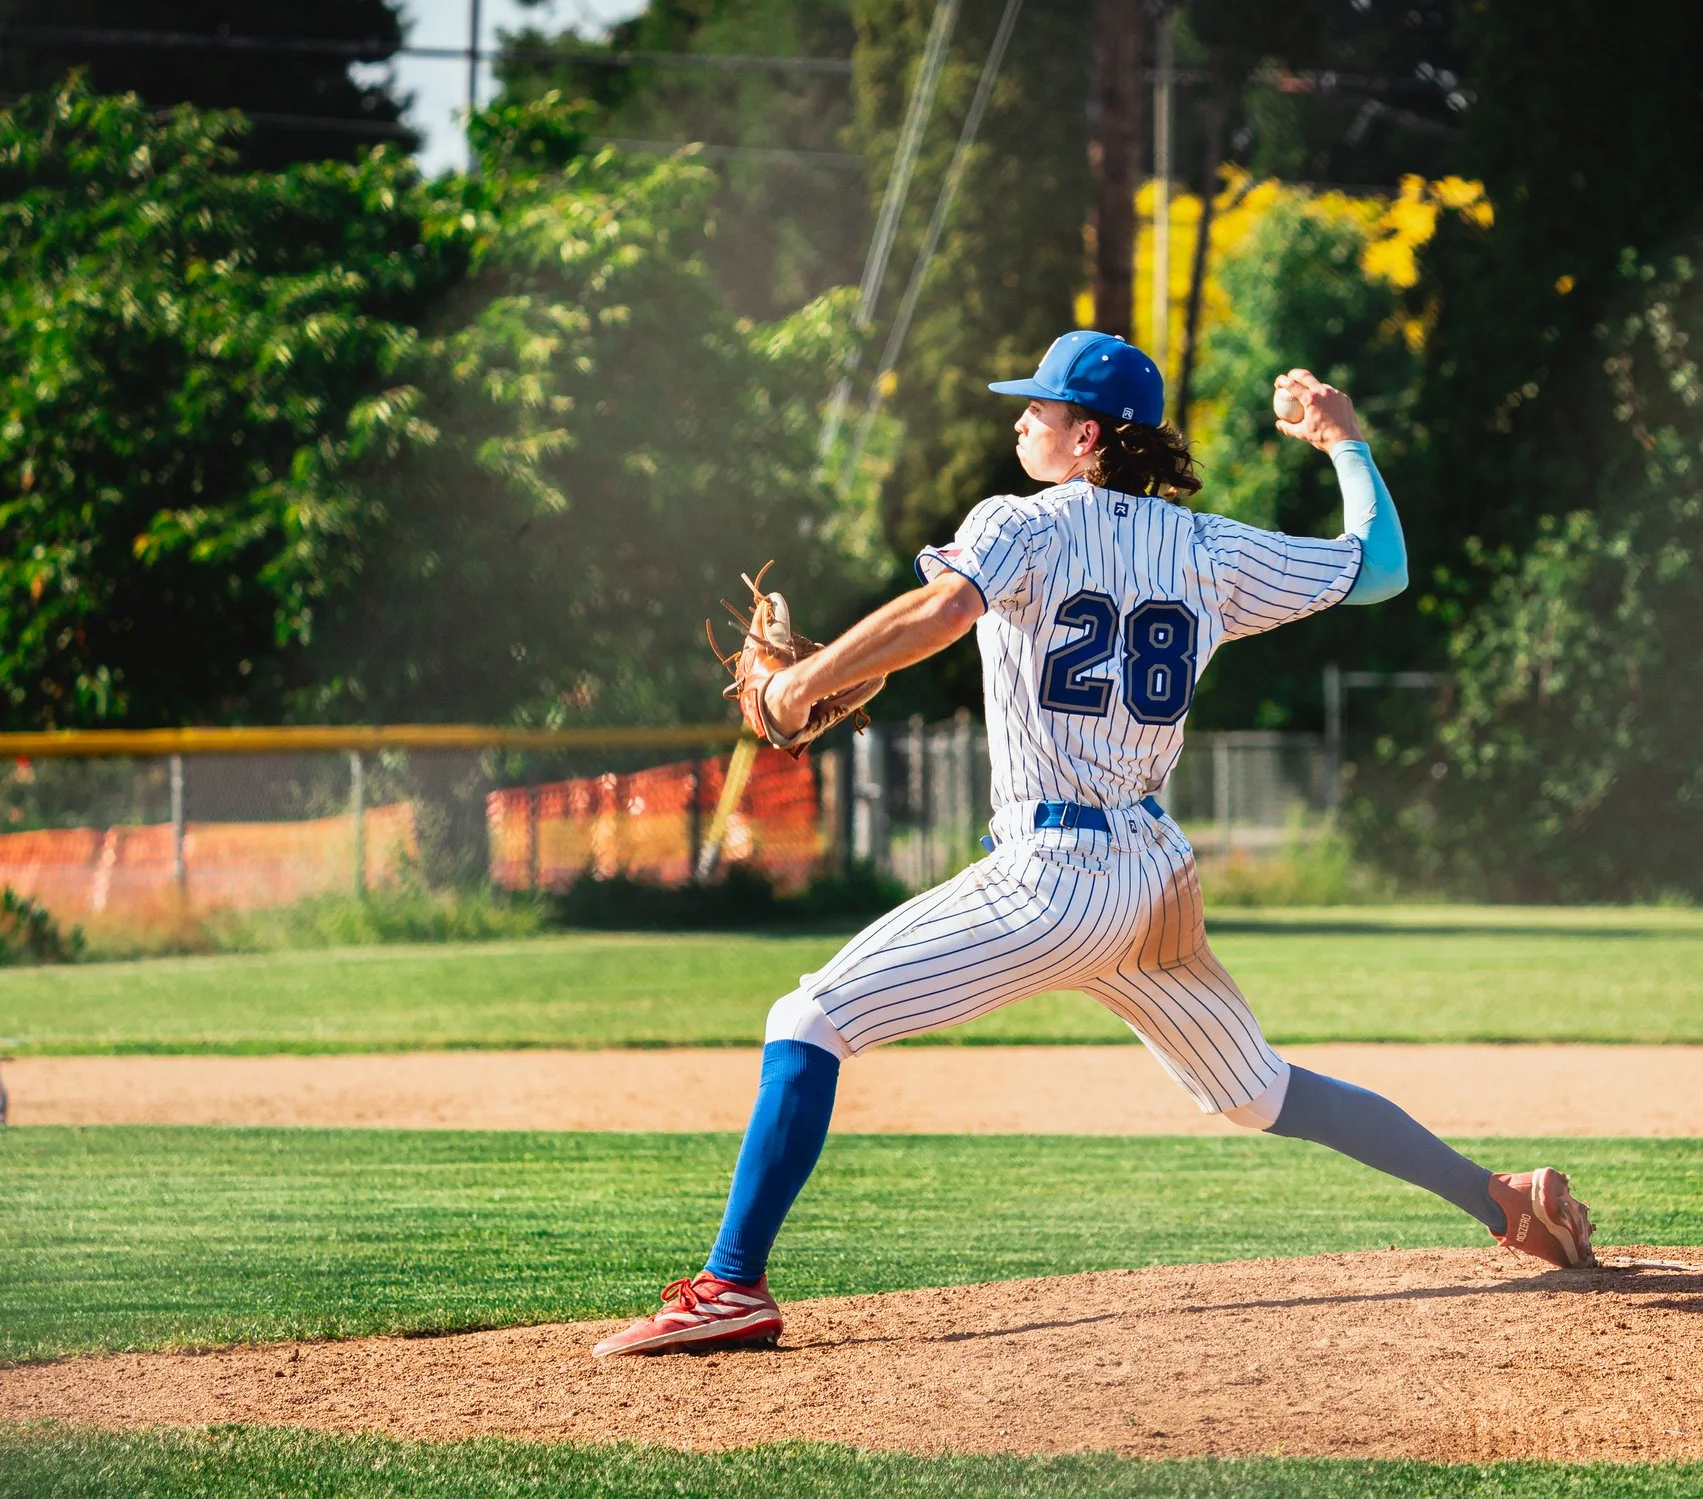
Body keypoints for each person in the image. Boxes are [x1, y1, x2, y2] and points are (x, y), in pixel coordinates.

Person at [594, 330, 1594, 1359]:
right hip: (1153, 878)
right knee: (1261, 1093)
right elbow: (1379, 569)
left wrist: (800, 686)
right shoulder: (1212, 550)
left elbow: (945, 608)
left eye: (1037, 407)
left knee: (807, 1015)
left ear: (1086, 437)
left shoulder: (1020, 524)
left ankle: (730, 1286)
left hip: (1054, 875)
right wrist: (1344, 442)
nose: (1019, 418)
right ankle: (1502, 1199)